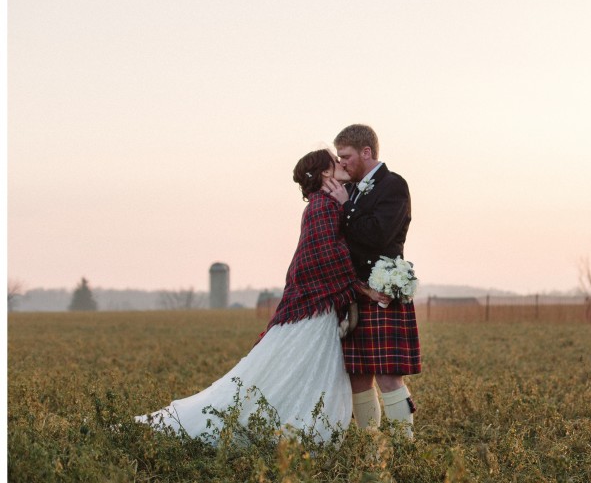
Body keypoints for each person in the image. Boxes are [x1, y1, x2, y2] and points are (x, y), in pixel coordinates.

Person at [135, 148, 387, 443]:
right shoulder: (323, 207)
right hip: (314, 308)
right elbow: (324, 257)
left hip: (317, 306)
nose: (341, 163)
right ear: (325, 174)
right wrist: (363, 289)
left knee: (295, 373)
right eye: (335, 161)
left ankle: (287, 426)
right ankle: (282, 429)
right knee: (292, 372)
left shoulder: (325, 204)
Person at [321, 124, 421, 439]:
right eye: (339, 156)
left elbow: (378, 234)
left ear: (367, 152)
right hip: (354, 292)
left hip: (382, 292)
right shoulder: (347, 190)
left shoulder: (393, 185)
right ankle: (370, 448)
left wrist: (345, 207)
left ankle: (406, 447)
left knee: (390, 378)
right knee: (358, 376)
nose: (342, 162)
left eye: (346, 156)